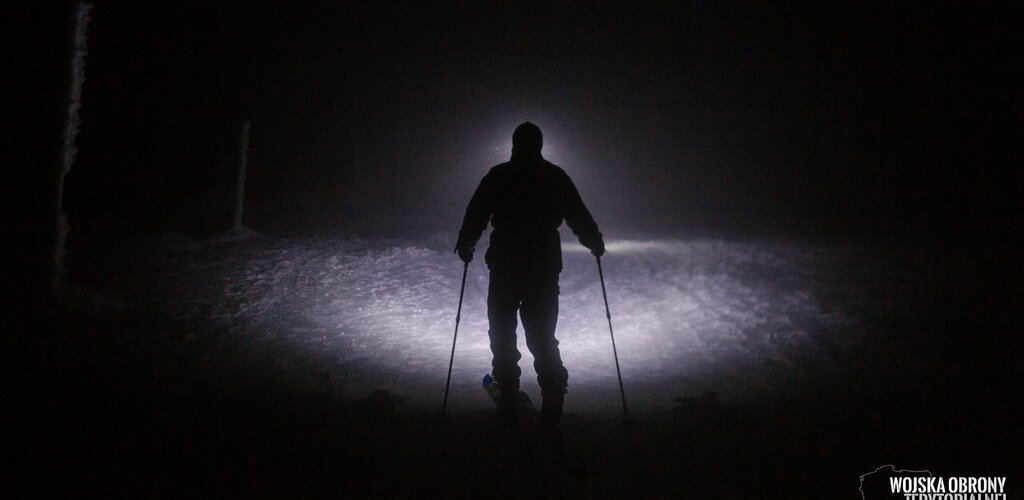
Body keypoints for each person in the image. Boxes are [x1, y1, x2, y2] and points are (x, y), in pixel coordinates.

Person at [455, 122, 605, 443]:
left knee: (502, 333)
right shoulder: (553, 176)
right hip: (542, 268)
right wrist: (592, 240)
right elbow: (576, 212)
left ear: (514, 145)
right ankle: (551, 402)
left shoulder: (500, 176)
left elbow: (476, 212)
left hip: (507, 266)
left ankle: (509, 399)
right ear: (539, 145)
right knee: (541, 336)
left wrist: (467, 243)